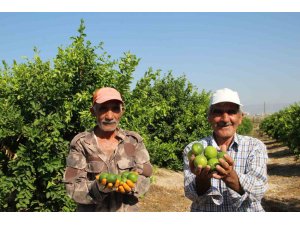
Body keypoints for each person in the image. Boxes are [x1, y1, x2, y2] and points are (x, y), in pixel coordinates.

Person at [63, 87, 152, 211]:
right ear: (93, 112)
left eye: (115, 109)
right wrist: (98, 188)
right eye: (103, 109)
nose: (110, 116)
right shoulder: (81, 144)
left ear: (122, 111)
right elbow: (71, 185)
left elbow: (146, 172)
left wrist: (132, 185)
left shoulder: (132, 142)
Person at [183, 88, 268, 212]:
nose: (225, 118)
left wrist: (230, 176)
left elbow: (259, 191)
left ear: (241, 117)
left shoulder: (255, 147)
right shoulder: (193, 149)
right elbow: (190, 195)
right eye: (218, 112)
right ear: (209, 117)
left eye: (231, 112)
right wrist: (202, 179)